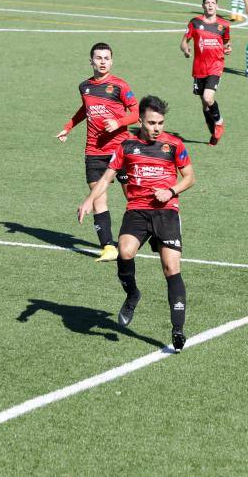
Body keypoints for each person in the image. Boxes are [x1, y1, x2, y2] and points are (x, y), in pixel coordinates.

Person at [78, 96, 195, 352]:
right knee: (125, 251)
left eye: (161, 123)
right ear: (140, 120)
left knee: (170, 268)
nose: (157, 128)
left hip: (166, 212)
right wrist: (89, 201)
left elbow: (189, 177)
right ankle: (132, 295)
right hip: (138, 212)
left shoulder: (173, 145)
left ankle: (177, 330)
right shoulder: (126, 146)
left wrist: (172, 191)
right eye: (152, 123)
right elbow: (107, 176)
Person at [57, 42, 139, 263]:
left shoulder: (120, 86)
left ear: (111, 61)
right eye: (98, 58)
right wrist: (67, 127)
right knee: (98, 200)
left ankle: (145, 233)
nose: (103, 62)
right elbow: (85, 109)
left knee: (133, 197)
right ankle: (108, 247)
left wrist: (119, 122)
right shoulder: (85, 87)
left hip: (120, 150)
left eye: (106, 58)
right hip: (94, 151)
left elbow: (136, 113)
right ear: (91, 61)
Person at [180, 0, 232, 146]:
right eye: (207, 3)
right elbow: (183, 42)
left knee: (208, 98)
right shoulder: (195, 23)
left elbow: (227, 44)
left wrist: (228, 49)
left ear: (217, 6)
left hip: (216, 66)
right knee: (204, 104)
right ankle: (213, 133)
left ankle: (219, 122)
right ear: (203, 6)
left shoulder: (224, 26)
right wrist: (185, 49)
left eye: (213, 3)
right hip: (199, 68)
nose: (210, 5)